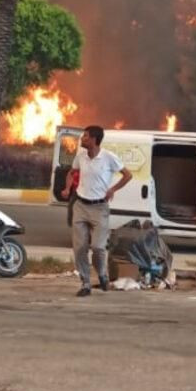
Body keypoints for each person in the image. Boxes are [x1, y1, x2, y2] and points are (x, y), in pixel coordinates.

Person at [64, 125, 132, 297]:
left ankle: (102, 273)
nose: (82, 139)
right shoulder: (80, 156)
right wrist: (67, 188)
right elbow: (71, 173)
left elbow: (127, 175)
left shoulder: (109, 157)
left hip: (100, 207)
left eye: (85, 136)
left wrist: (113, 189)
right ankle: (85, 283)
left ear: (94, 139)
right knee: (79, 248)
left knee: (98, 247)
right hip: (80, 205)